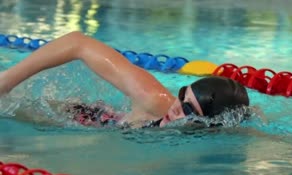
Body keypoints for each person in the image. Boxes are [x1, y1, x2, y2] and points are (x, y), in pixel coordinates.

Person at [0, 31, 249, 128]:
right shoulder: (154, 101)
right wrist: (6, 81)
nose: (176, 105)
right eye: (183, 93)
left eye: (187, 107)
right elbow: (78, 42)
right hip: (82, 116)